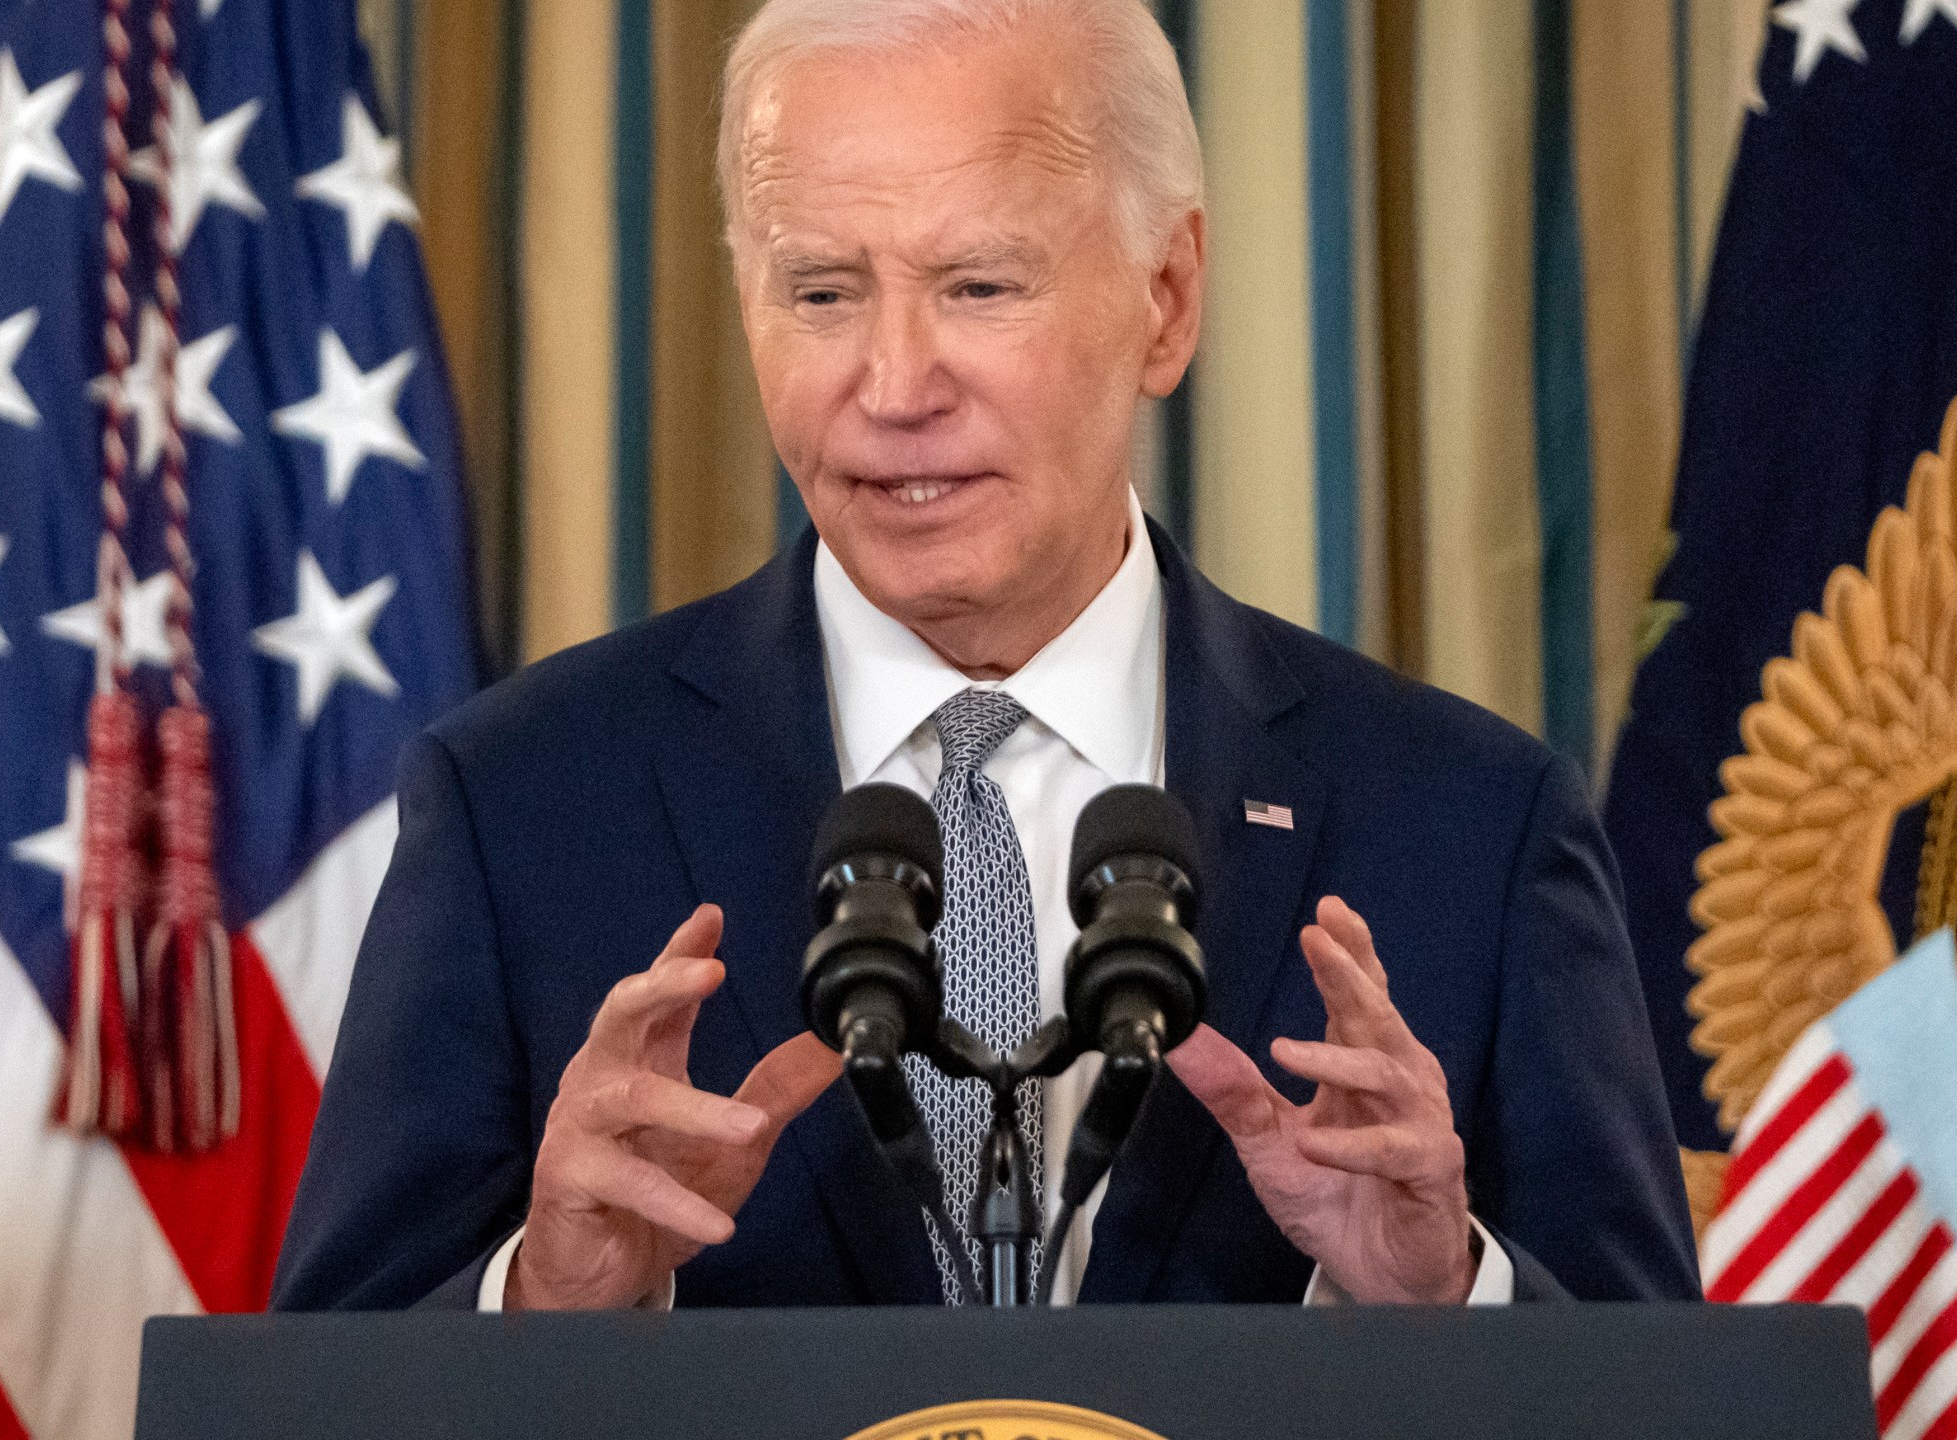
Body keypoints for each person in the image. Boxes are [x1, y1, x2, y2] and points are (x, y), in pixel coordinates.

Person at [271, 0, 1697, 1313]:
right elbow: (318, 1399)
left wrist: (1447, 1303)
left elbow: (1668, 1413)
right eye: (821, 292)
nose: (893, 387)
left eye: (978, 287)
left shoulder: (1470, 824)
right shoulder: (523, 803)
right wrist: (542, 1310)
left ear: (1168, 298)